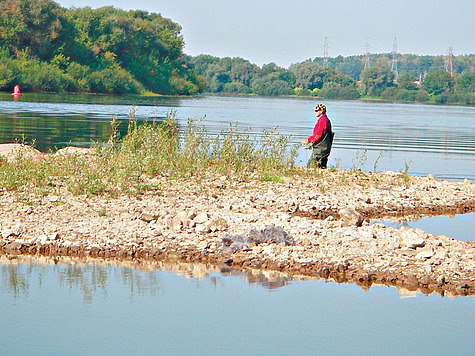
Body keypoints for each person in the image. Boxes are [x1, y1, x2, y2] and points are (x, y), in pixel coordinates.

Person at [302, 103, 334, 168]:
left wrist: (308, 140)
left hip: (320, 149)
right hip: (325, 148)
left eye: (316, 111)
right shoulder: (325, 119)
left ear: (321, 111)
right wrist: (312, 143)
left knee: (311, 166)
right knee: (322, 166)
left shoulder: (322, 120)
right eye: (314, 111)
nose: (314, 112)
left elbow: (318, 135)